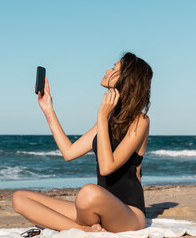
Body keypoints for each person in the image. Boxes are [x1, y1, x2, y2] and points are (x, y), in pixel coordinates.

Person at [12, 52, 153, 233]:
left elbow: (107, 167)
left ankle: (82, 228)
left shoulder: (140, 121)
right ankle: (84, 229)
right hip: (95, 207)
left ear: (126, 78)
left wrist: (102, 116)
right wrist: (48, 109)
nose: (107, 70)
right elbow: (69, 152)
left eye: (114, 68)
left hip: (129, 213)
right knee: (20, 198)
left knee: (88, 193)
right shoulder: (108, 118)